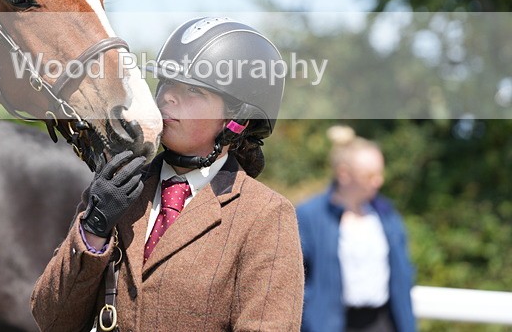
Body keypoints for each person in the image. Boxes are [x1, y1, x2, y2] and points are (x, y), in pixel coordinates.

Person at [31, 17, 304, 331]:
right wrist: (94, 228)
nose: (168, 97)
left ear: (236, 120)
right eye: (166, 83)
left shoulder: (266, 215)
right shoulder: (115, 188)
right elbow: (50, 319)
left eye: (192, 90)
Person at [296, 126, 416, 332]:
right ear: (344, 174)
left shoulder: (386, 215)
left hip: (382, 322)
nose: (378, 181)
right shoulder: (310, 217)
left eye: (380, 173)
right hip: (331, 323)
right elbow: (296, 279)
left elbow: (402, 272)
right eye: (369, 175)